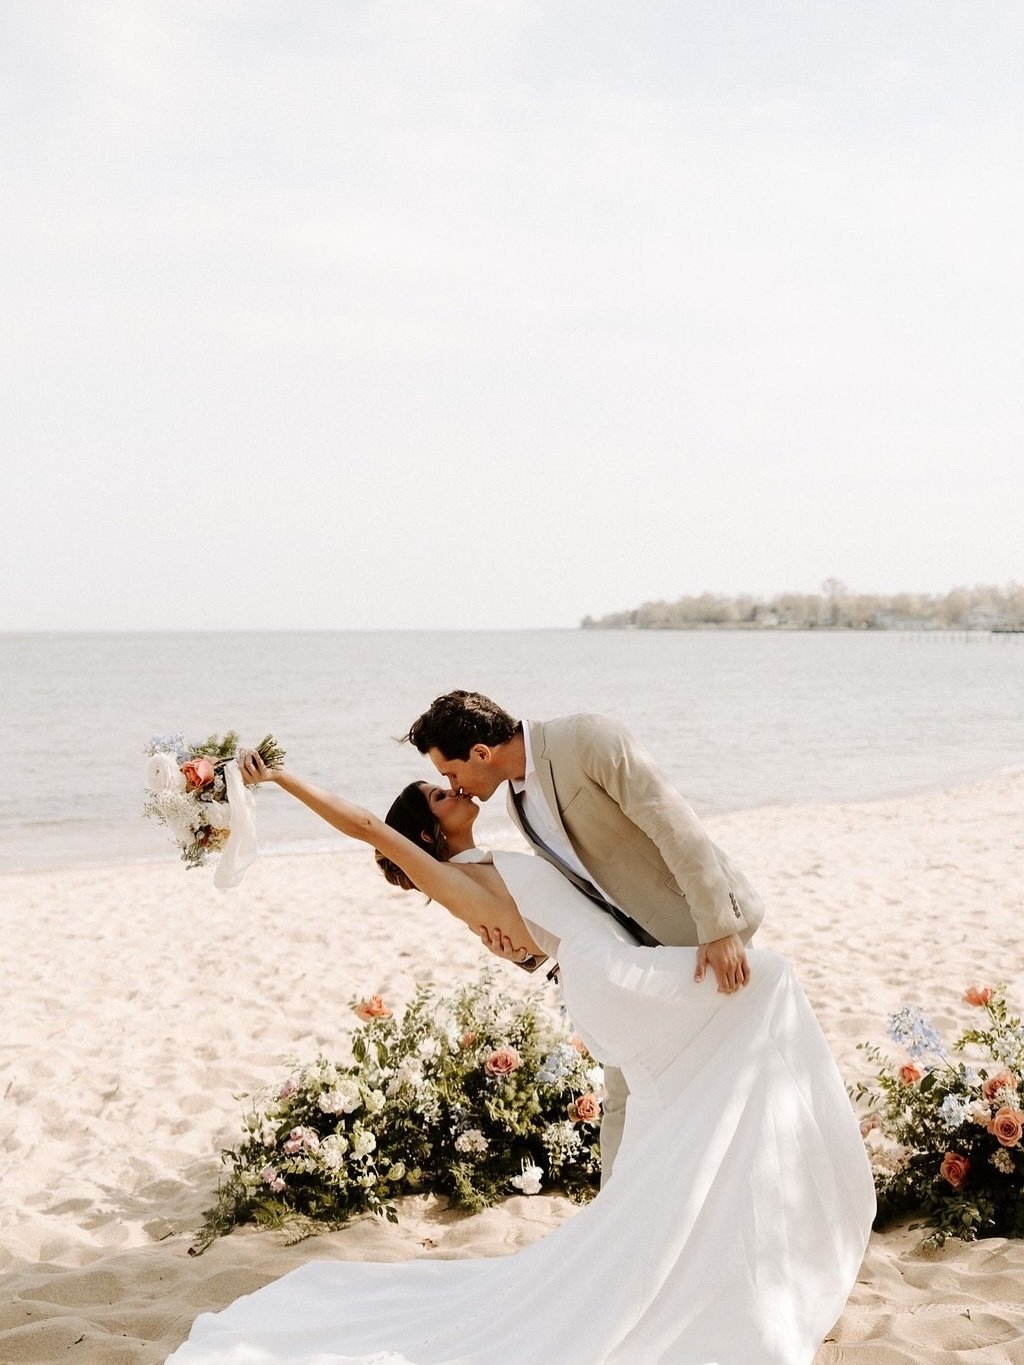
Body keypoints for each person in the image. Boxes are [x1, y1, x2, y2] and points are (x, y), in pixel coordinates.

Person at [168, 752, 875, 1365]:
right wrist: (282, 774)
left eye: (447, 782)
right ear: (424, 832)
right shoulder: (442, 872)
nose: (457, 793)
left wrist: (521, 945)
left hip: (612, 966)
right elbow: (363, 824)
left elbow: (536, 934)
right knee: (769, 978)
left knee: (716, 1058)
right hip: (611, 981)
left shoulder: (482, 858)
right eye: (441, 795)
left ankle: (722, 1221)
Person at [403, 691, 765, 1180]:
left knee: (715, 1076)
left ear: (481, 754)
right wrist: (525, 955)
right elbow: (581, 888)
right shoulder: (518, 802)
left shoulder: (587, 739)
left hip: (699, 932)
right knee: (625, 1087)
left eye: (451, 774)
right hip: (635, 950)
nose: (456, 786)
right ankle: (617, 1215)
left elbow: (676, 826)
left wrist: (717, 928)